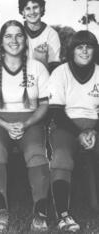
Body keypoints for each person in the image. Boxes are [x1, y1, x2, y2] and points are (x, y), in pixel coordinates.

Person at [0, 20, 50, 232]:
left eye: (19, 35)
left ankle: (40, 212)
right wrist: (4, 124)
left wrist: (26, 123)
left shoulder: (37, 67)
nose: (14, 40)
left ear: (25, 40)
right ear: (1, 42)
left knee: (37, 153)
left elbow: (44, 104)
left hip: (31, 119)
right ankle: (1, 210)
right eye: (8, 36)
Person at [48, 30, 99, 232]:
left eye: (89, 46)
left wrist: (93, 131)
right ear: (72, 50)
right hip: (66, 126)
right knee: (61, 156)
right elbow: (56, 113)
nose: (85, 51)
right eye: (80, 46)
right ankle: (63, 214)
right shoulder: (60, 72)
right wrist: (79, 133)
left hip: (94, 127)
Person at [18, 0, 61, 73]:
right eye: (28, 8)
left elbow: (54, 67)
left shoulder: (51, 34)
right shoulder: (17, 32)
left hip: (43, 81)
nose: (32, 12)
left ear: (41, 8)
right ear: (22, 12)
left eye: (35, 7)